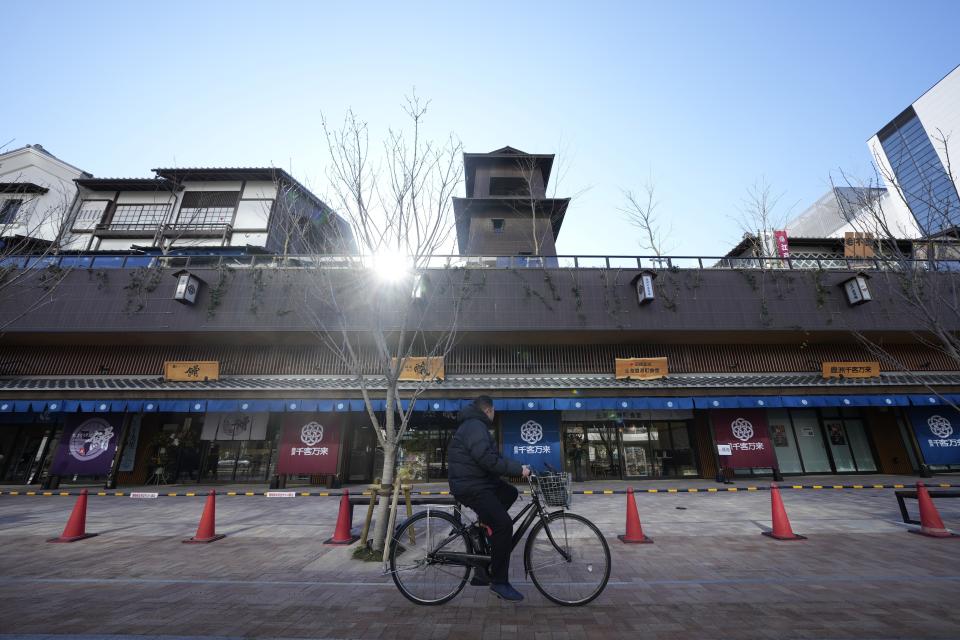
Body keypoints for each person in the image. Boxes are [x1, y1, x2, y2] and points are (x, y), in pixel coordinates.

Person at [447, 395, 530, 602]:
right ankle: (499, 582)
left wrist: (518, 466)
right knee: (503, 525)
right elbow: (486, 459)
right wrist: (518, 470)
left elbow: (495, 457)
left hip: (479, 481)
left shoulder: (476, 425)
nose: (495, 414)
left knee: (510, 492)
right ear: (488, 410)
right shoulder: (476, 426)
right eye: (494, 411)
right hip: (471, 486)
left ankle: (483, 528)